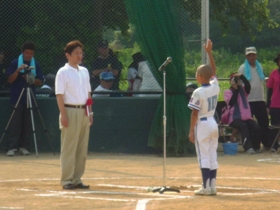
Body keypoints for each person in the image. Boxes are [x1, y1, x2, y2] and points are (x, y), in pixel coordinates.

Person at [55, 40, 93, 190]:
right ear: (68, 55)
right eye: (76, 53)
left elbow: (88, 93)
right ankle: (66, 180)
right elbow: (59, 95)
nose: (79, 56)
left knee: (82, 147)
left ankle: (77, 179)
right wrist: (63, 114)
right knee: (69, 146)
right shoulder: (62, 72)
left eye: (80, 53)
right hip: (70, 110)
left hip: (84, 111)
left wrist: (90, 112)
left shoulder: (84, 71)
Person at [188, 39, 219, 196]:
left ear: (200, 76)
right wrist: (209, 53)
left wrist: (191, 131)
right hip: (213, 122)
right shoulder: (215, 86)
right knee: (212, 154)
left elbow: (194, 113)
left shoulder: (198, 92)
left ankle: (206, 187)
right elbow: (212, 71)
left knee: (203, 156)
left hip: (203, 124)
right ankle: (212, 186)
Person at [5, 41, 44, 156]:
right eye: (27, 53)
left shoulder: (35, 64)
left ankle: (24, 147)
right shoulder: (15, 63)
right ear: (22, 52)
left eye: (31, 53)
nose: (28, 56)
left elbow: (39, 82)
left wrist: (30, 78)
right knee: (15, 123)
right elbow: (10, 80)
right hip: (17, 97)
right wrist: (18, 70)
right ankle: (11, 147)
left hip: (30, 97)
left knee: (27, 123)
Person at [238, 47, 270, 150]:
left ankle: (266, 143)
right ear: (246, 56)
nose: (252, 57)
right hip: (248, 100)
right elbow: (239, 84)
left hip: (260, 99)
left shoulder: (259, 66)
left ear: (256, 55)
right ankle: (250, 145)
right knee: (249, 124)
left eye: (253, 55)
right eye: (249, 55)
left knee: (264, 122)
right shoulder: (242, 68)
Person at [224, 73, 262, 154]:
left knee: (256, 127)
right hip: (234, 118)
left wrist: (242, 76)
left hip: (246, 117)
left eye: (238, 80)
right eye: (234, 80)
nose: (237, 82)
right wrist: (236, 90)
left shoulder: (243, 91)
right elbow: (232, 102)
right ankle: (248, 147)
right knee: (243, 126)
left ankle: (256, 147)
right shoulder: (228, 92)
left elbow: (248, 86)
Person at [266, 53, 280, 152]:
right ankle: (274, 145)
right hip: (275, 103)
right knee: (275, 125)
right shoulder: (274, 73)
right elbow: (269, 90)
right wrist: (268, 104)